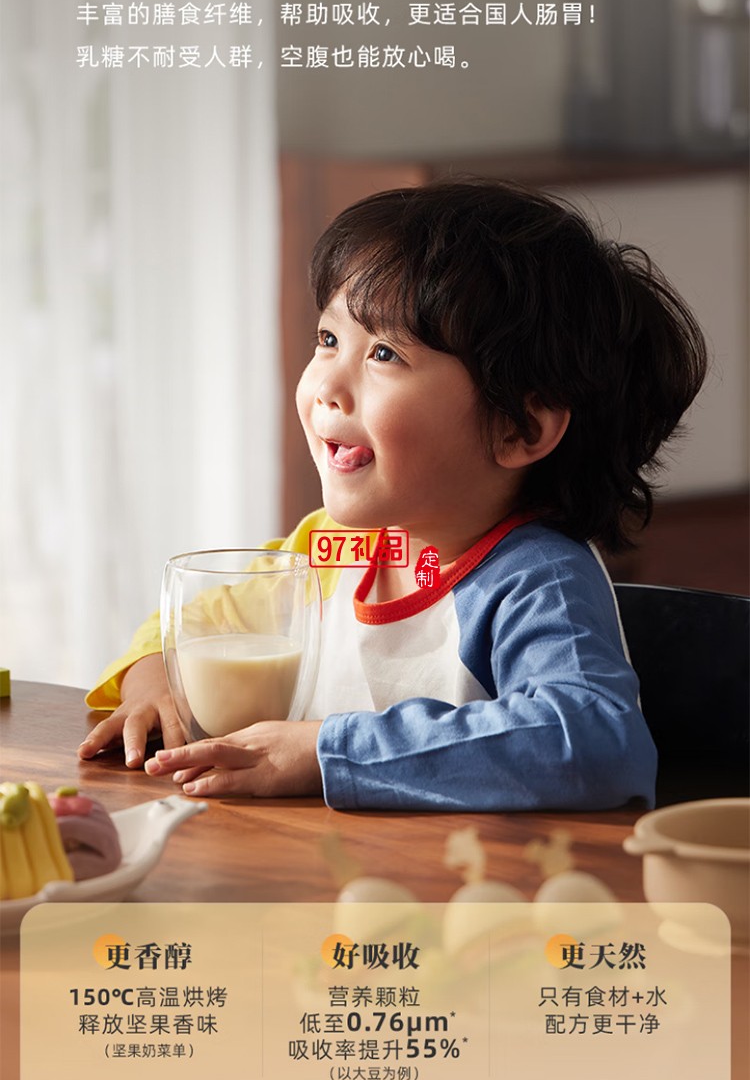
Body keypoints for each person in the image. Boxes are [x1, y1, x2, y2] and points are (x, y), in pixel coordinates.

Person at [79, 180, 707, 810]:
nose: (327, 387)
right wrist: (153, 681)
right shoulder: (334, 548)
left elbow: (592, 740)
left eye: (383, 353)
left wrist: (325, 752)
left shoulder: (536, 581)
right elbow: (193, 619)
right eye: (328, 339)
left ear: (520, 428)